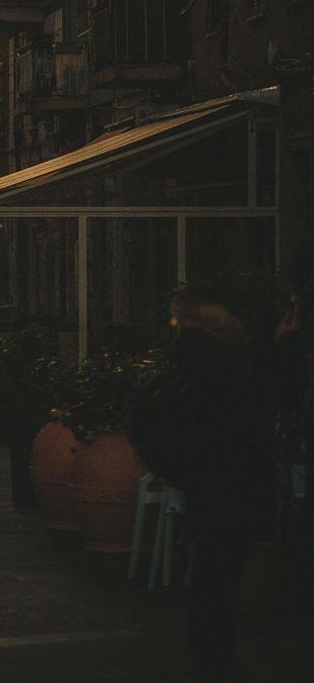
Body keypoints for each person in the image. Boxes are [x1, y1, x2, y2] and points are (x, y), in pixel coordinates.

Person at [128, 287, 302, 683]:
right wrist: (288, 346)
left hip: (208, 483)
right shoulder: (224, 360)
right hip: (229, 481)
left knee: (211, 573)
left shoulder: (196, 358)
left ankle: (211, 659)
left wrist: (180, 471)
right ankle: (214, 663)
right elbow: (275, 392)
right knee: (218, 575)